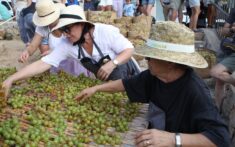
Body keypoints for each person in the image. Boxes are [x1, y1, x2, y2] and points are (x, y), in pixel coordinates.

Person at [76, 21, 230, 147]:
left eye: (150, 57)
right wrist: (97, 88)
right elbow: (125, 84)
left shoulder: (194, 91)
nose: (146, 60)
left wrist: (173, 139)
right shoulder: (154, 76)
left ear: (169, 62)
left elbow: (220, 138)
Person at [2, 5, 139, 97]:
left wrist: (113, 63)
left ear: (81, 24)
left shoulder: (104, 32)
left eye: (68, 30)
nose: (65, 35)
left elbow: (129, 49)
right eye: (63, 31)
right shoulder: (68, 44)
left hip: (128, 77)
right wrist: (11, 79)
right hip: (107, 85)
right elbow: (42, 64)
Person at [19, 0, 90, 77]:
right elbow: (33, 45)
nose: (48, 23)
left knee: (77, 82)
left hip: (74, 61)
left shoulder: (67, 22)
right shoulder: (43, 27)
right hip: (57, 64)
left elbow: (76, 44)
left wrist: (54, 52)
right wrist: (27, 52)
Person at [210, 8, 235, 109]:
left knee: (216, 74)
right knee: (217, 78)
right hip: (228, 49)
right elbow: (224, 31)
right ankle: (216, 111)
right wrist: (232, 29)